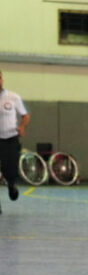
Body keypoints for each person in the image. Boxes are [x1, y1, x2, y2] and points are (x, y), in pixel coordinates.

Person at [0, 69, 30, 201]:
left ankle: (11, 185)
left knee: (9, 170)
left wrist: (22, 127)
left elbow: (25, 115)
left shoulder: (13, 97)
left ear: (2, 80)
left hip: (10, 139)